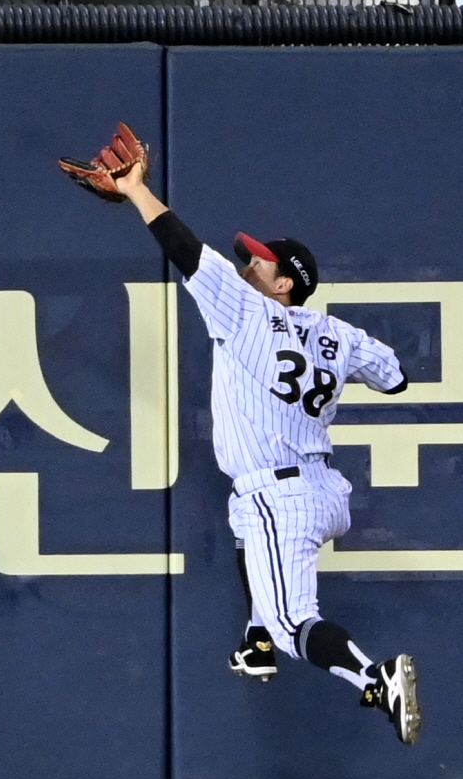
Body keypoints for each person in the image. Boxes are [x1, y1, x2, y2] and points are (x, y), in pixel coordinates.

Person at [114, 163, 421, 745]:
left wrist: (134, 190)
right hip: (321, 489)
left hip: (280, 492)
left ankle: (375, 677)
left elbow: (183, 247)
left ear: (285, 284)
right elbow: (398, 379)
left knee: (293, 624)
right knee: (243, 522)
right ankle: (255, 639)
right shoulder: (339, 334)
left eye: (259, 261)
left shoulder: (246, 309)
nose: (246, 264)